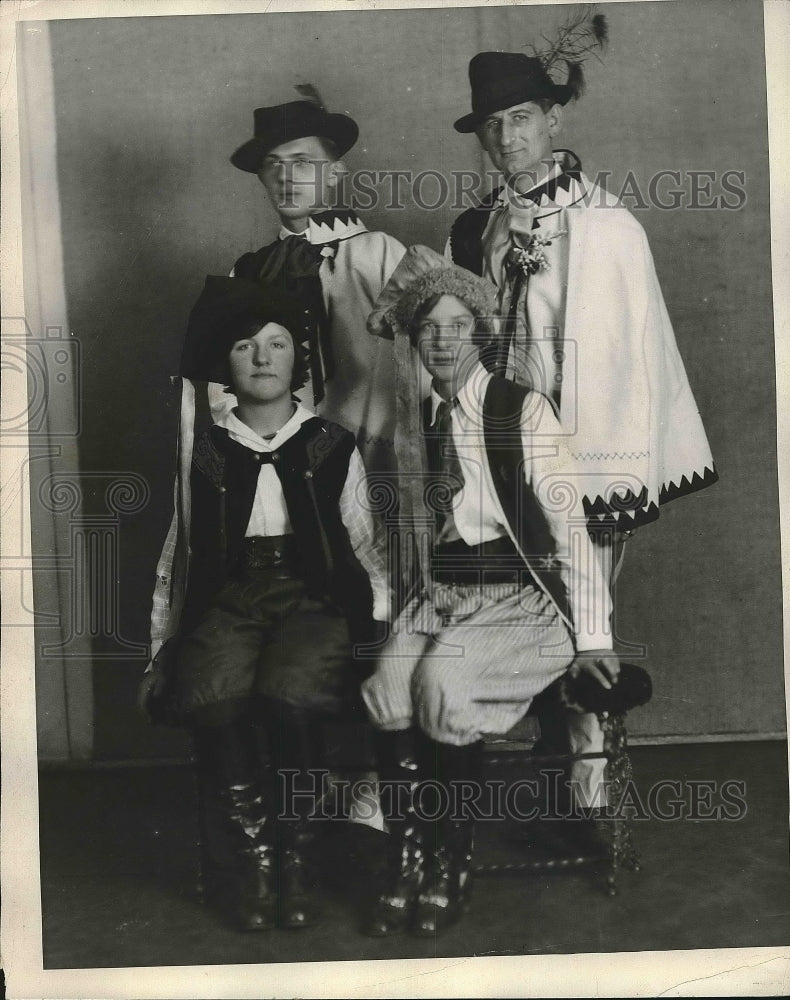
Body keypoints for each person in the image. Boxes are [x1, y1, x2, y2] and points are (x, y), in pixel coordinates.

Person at [446, 38, 717, 843]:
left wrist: (599, 477)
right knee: (520, 601)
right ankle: (540, 746)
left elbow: (627, 364)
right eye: (491, 126)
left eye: (521, 119)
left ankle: (589, 782)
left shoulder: (606, 227)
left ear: (555, 117)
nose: (507, 139)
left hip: (584, 452)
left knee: (583, 608)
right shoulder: (482, 224)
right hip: (496, 451)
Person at [360, 251, 619, 937]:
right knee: (388, 684)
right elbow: (399, 538)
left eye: (456, 325)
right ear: (413, 340)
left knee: (445, 685)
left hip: (520, 597)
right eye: (428, 328)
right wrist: (391, 616)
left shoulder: (519, 409)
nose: (442, 340)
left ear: (480, 333)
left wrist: (596, 637)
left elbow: (569, 529)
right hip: (443, 592)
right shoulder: (414, 423)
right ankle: (406, 856)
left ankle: (451, 861)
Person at [140, 276, 390, 932]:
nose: (261, 356)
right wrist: (160, 644)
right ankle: (257, 864)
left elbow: (367, 544)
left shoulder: (330, 445)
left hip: (314, 597)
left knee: (291, 690)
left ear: (296, 360)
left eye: (276, 344)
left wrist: (383, 630)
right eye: (245, 345)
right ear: (227, 362)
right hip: (232, 597)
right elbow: (182, 551)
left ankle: (300, 858)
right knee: (213, 689)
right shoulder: (210, 451)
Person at [223, 96, 406, 475]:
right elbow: (223, 390)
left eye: (302, 162)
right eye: (273, 163)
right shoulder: (247, 274)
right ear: (261, 177)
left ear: (335, 173)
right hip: (280, 463)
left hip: (378, 449)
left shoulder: (381, 254)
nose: (286, 177)